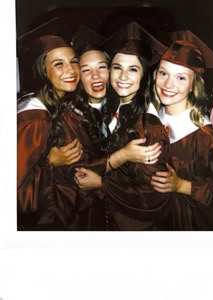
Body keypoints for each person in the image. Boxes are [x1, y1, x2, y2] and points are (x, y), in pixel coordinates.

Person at [48, 26, 163, 230]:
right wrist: (122, 156)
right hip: (86, 220)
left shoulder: (139, 120)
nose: (95, 76)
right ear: (78, 76)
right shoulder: (71, 117)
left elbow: (152, 193)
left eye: (102, 67)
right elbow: (78, 177)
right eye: (86, 70)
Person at [75, 21, 175, 231]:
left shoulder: (148, 127)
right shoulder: (110, 109)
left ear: (144, 75)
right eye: (117, 67)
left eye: (133, 69)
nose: (122, 77)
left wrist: (102, 185)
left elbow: (154, 198)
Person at [150, 40, 213, 231]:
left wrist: (181, 185)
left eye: (181, 78)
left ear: (193, 85)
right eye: (163, 73)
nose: (168, 84)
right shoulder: (149, 121)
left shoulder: (206, 137)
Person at [17, 33, 82, 230]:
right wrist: (49, 162)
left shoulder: (59, 105)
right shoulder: (35, 119)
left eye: (74, 61)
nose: (71, 70)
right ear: (43, 71)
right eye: (58, 64)